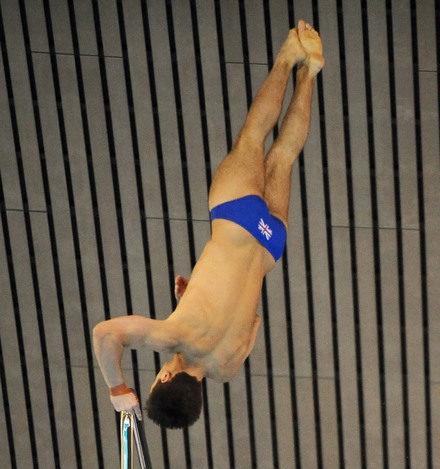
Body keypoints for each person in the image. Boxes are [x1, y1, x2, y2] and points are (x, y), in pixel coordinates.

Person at [93, 20, 324, 428]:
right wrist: (117, 387)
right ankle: (289, 57)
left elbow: (251, 319)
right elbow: (105, 333)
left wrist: (191, 302)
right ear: (164, 376)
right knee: (253, 137)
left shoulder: (227, 367)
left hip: (270, 246)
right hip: (236, 221)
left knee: (284, 155)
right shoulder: (172, 336)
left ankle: (309, 76)